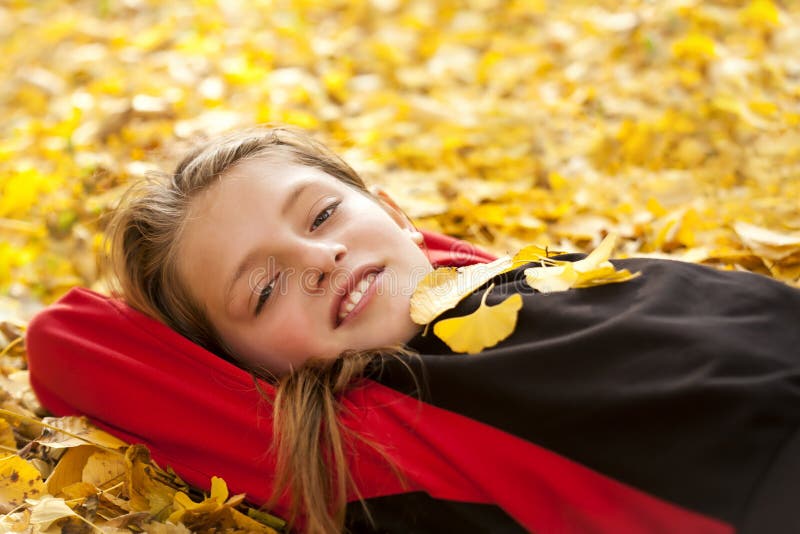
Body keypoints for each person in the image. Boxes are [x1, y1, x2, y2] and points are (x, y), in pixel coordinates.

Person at [25, 126, 800, 534]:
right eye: (263, 290)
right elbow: (68, 344)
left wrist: (396, 252)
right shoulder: (368, 437)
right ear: (245, 369)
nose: (318, 258)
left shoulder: (512, 272)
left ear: (395, 209)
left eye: (323, 214)